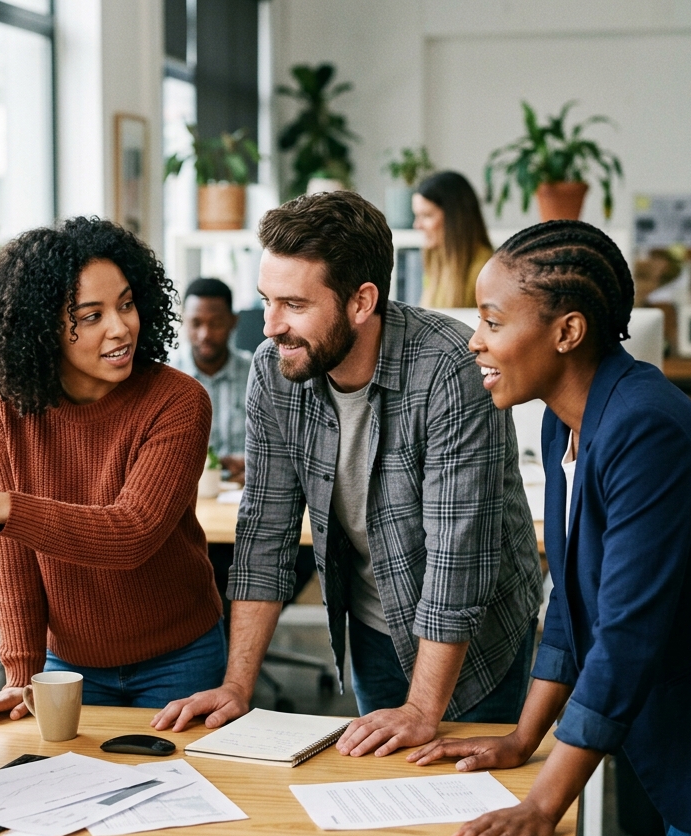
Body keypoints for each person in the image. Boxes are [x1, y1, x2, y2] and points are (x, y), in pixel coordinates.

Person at [417, 220, 691, 836]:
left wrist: (544, 803)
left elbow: (626, 637)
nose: (476, 340)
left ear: (567, 332)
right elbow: (574, 602)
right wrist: (524, 738)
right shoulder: (565, 422)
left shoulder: (645, 427)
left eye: (492, 320)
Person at [153, 191, 543, 758]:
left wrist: (421, 708)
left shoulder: (450, 369)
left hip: (474, 643)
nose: (269, 327)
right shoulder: (276, 370)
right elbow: (266, 535)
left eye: (293, 304)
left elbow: (458, 561)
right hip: (372, 627)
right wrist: (238, 685)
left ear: (362, 302)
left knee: (458, 818)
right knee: (380, 808)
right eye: (265, 301)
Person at [0, 217, 225, 717]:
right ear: (42, 328)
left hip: (179, 657)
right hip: (67, 664)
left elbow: (132, 533)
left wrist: (3, 506)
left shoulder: (178, 401)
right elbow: (13, 556)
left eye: (127, 303)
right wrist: (22, 675)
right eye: (91, 316)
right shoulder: (3, 403)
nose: (120, 327)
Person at [169, 277, 253, 481]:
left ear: (233, 321)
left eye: (216, 323)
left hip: (248, 493)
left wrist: (253, 466)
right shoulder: (165, 378)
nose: (205, 334)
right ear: (183, 321)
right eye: (196, 323)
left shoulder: (258, 375)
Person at [413, 170, 493, 309]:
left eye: (427, 215)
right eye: (417, 216)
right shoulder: (434, 261)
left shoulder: (486, 270)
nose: (417, 225)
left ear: (455, 219)